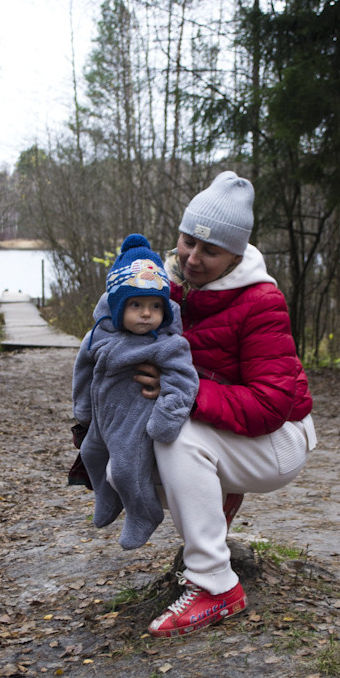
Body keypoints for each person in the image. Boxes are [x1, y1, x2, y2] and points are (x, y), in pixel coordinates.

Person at [137, 171, 317, 638]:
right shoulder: (166, 285)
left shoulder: (261, 301)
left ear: (235, 254)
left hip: (279, 440)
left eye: (210, 250)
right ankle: (217, 509)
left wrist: (184, 389)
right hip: (236, 426)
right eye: (187, 240)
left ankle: (218, 586)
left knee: (175, 435)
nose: (192, 257)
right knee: (137, 436)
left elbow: (270, 403)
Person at [72, 233, 199, 551]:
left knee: (127, 469)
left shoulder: (166, 344)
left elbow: (184, 381)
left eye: (155, 306)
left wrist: (165, 420)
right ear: (118, 307)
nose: (146, 313)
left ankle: (144, 513)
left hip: (137, 418)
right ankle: (107, 499)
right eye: (136, 305)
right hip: (104, 416)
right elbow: (83, 369)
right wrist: (83, 408)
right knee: (90, 453)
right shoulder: (98, 335)